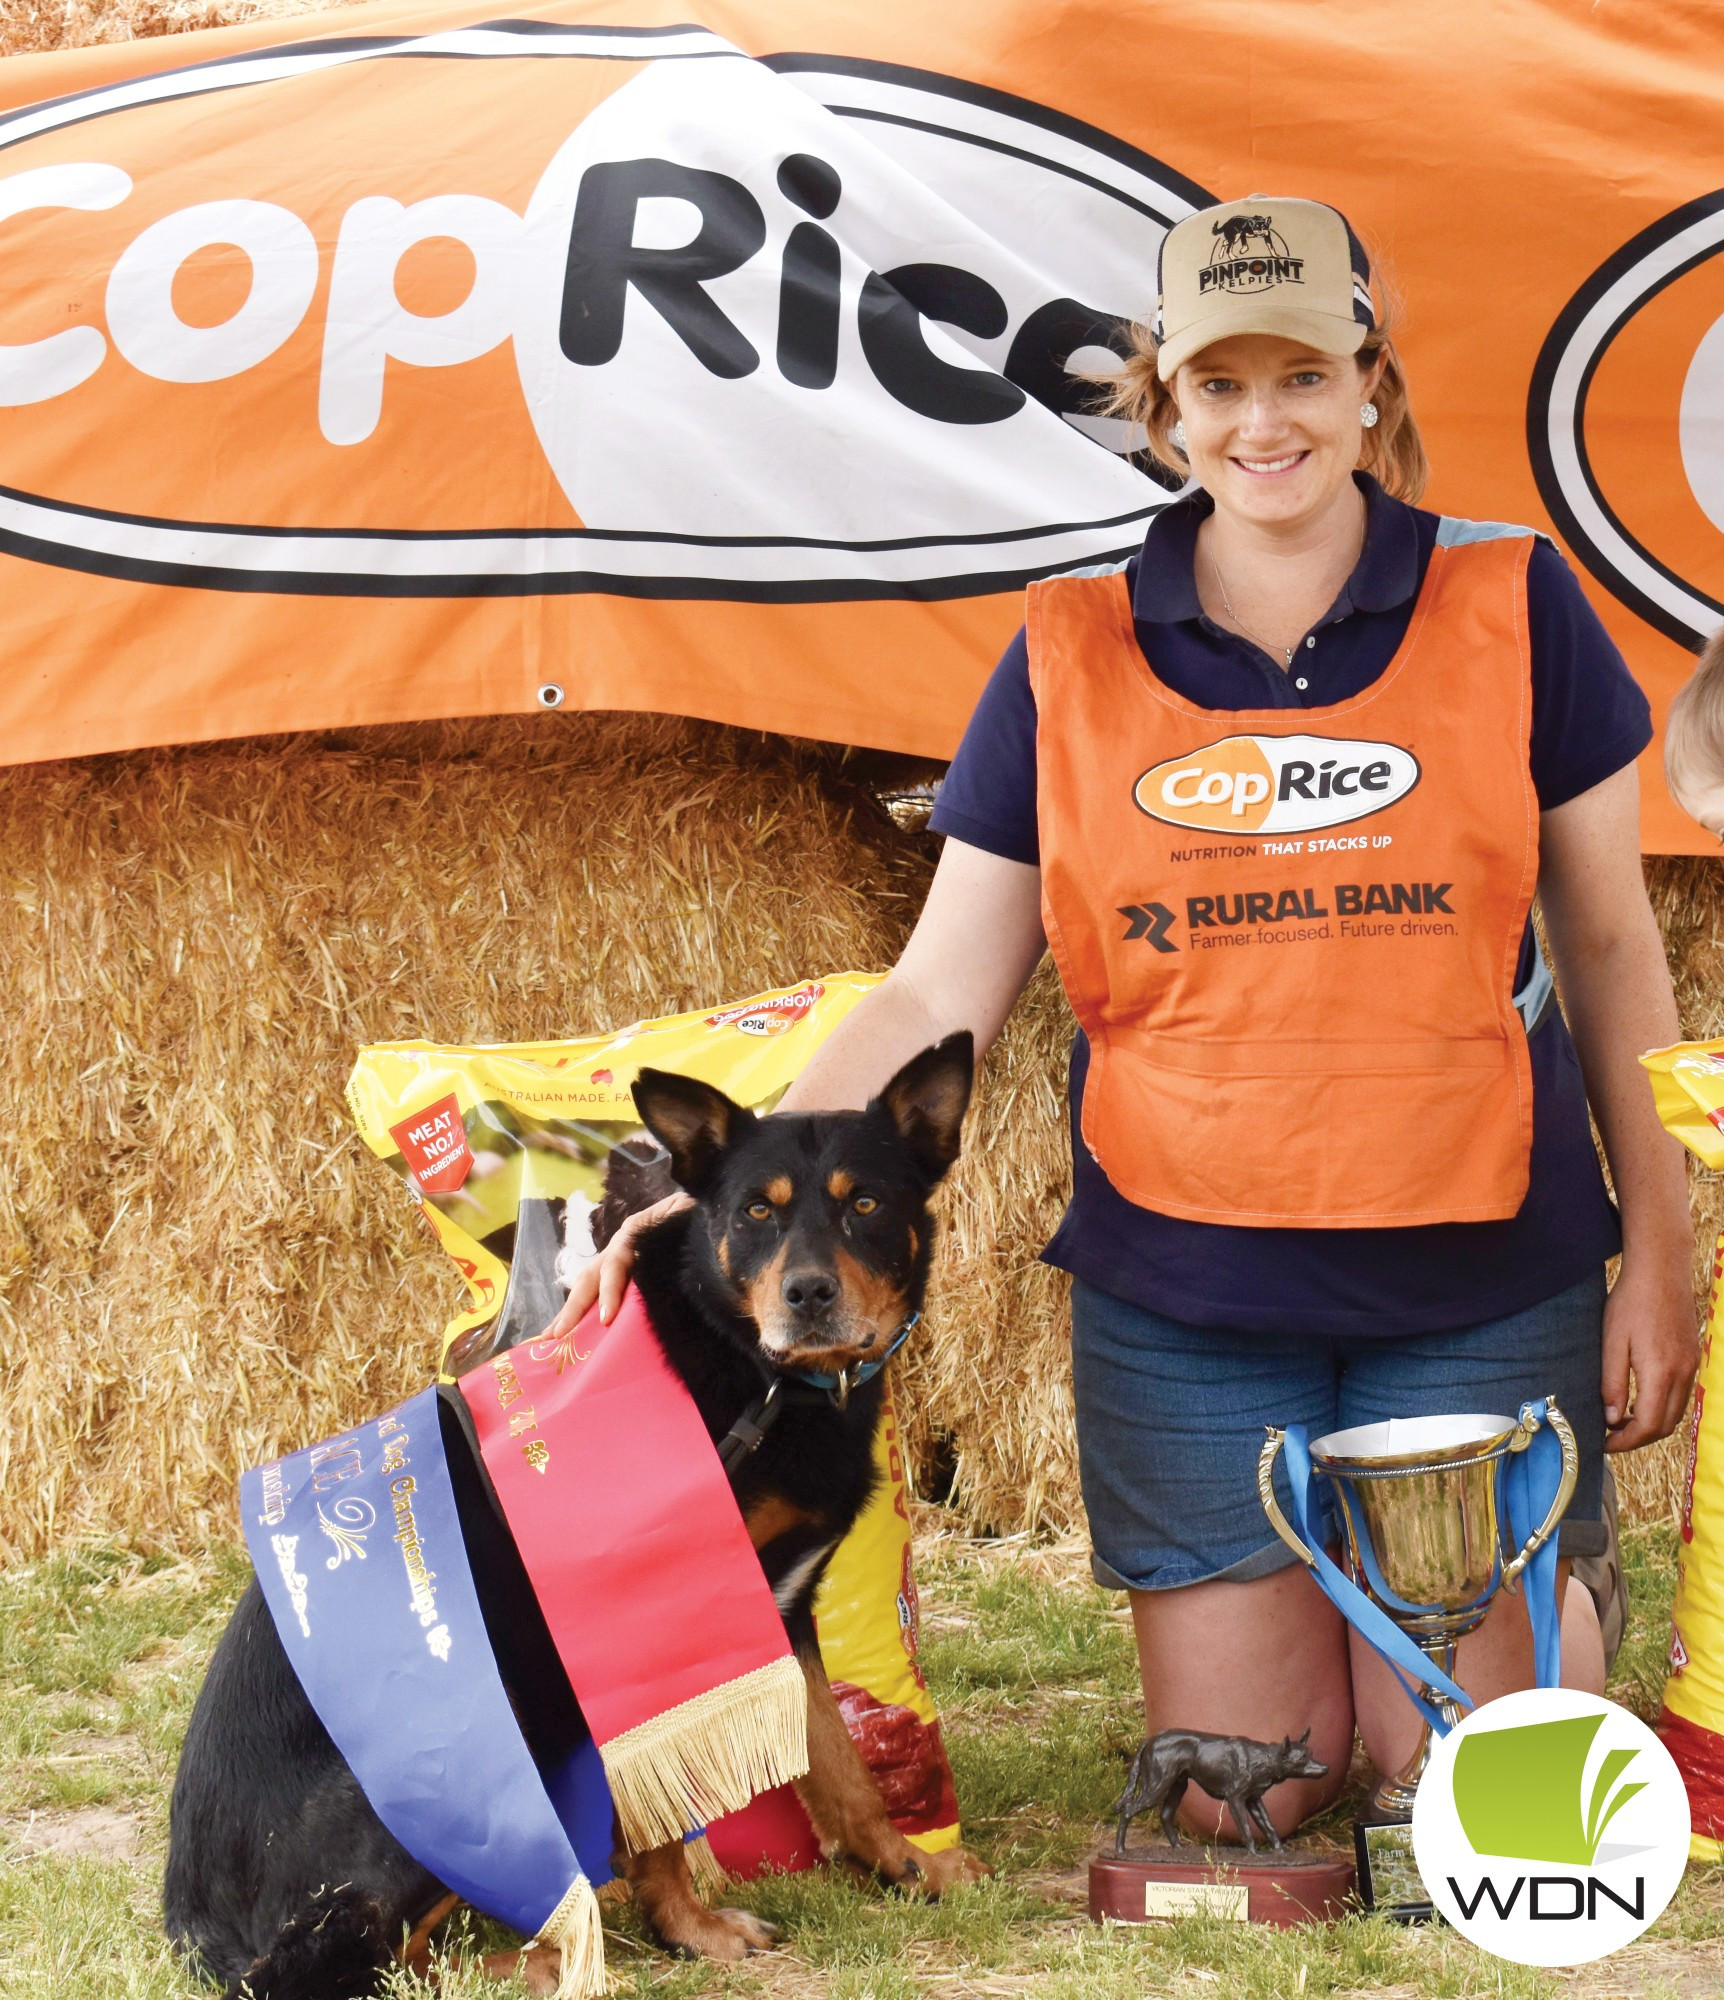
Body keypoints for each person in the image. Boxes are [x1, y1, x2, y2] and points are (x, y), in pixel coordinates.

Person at [549, 197, 1698, 1838]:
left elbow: (1607, 943)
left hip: (1480, 1268)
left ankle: (1534, 1605)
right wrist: (715, 1191)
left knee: (1448, 1783)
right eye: (1219, 383)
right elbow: (945, 985)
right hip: (1193, 1291)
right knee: (1249, 1808)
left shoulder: (1517, 604)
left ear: (1370, 385)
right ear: (1167, 412)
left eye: (1301, 374)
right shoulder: (1068, 652)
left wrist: (1662, 1252)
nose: (1264, 420)